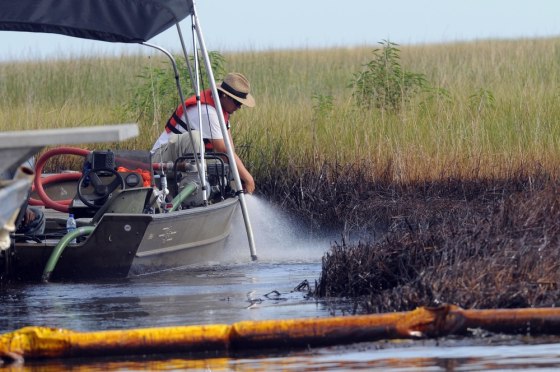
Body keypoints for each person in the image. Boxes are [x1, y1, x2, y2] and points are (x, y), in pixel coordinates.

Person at [151, 72, 256, 194]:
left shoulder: (222, 110)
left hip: (181, 158)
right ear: (224, 96)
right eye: (237, 103)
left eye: (241, 103)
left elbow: (229, 150)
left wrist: (237, 177)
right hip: (160, 159)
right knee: (195, 138)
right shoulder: (207, 112)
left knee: (220, 166)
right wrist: (248, 179)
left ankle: (213, 193)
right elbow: (224, 150)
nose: (239, 107)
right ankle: (194, 192)